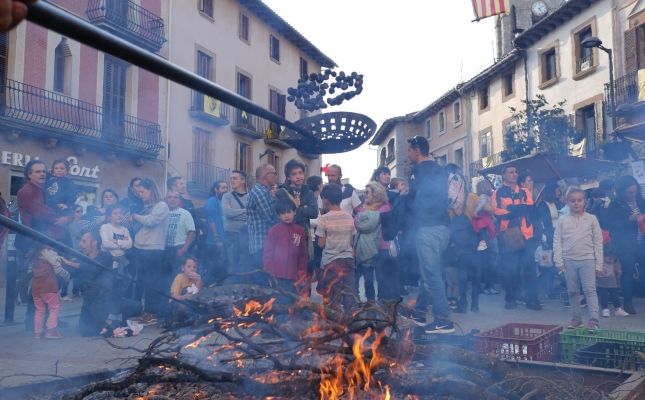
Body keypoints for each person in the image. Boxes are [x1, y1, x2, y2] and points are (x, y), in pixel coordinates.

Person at [406, 136, 453, 334]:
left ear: (417, 151)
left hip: (428, 229)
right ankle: (419, 313)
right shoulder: (440, 170)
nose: (408, 154)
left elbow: (414, 201)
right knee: (429, 271)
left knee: (432, 275)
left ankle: (443, 320)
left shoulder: (419, 172)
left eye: (409, 150)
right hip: (443, 228)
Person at [492, 165, 541, 311]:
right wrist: (515, 210)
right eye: (511, 172)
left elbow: (529, 208)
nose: (514, 174)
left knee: (530, 270)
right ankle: (510, 298)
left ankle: (532, 300)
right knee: (509, 270)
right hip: (508, 235)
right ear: (504, 175)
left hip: (526, 235)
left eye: (516, 172)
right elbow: (496, 212)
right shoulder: (497, 193)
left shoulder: (525, 192)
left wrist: (510, 209)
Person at [554, 188, 603, 329]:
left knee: (590, 290)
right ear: (567, 202)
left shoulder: (592, 219)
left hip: (588, 260)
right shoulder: (562, 220)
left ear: (585, 202)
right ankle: (576, 319)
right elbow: (557, 241)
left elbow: (598, 242)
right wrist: (559, 261)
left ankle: (594, 320)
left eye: (579, 200)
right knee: (572, 291)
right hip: (568, 261)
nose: (576, 203)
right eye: (572, 200)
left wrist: (599, 264)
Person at [131, 179, 169, 323]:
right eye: (138, 192)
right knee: (141, 282)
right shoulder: (146, 206)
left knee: (152, 283)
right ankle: (142, 310)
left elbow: (151, 221)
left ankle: (152, 312)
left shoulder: (162, 205)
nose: (140, 195)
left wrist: (136, 216)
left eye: (143, 192)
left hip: (154, 249)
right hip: (140, 247)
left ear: (151, 190)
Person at [606, 175, 645, 315]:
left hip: (643, 241)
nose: (633, 195)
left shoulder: (640, 200)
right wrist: (630, 219)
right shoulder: (615, 204)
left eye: (634, 191)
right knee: (627, 273)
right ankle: (628, 303)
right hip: (626, 244)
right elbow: (611, 224)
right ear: (621, 191)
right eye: (629, 192)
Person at [316, 184, 356, 312]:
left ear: (325, 200)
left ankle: (333, 326)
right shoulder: (350, 217)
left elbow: (321, 244)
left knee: (332, 297)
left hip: (331, 263)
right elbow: (351, 240)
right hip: (348, 261)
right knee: (349, 294)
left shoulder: (324, 219)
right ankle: (351, 323)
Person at [263, 201, 308, 299]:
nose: (286, 215)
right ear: (279, 216)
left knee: (295, 302)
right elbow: (268, 253)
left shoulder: (300, 231)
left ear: (294, 212)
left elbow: (303, 254)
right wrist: (269, 272)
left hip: (294, 275)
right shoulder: (274, 231)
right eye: (283, 213)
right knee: (280, 301)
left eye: (289, 212)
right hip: (278, 275)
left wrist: (302, 272)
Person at [276, 159, 319, 253]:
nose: (298, 176)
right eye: (294, 174)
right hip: (286, 234)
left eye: (300, 173)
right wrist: (303, 208)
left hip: (304, 234)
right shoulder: (282, 192)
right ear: (288, 177)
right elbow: (282, 214)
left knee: (303, 262)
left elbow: (314, 213)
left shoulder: (309, 192)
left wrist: (296, 208)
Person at [247, 164, 278, 279]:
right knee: (263, 283)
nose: (276, 176)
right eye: (274, 173)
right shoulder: (259, 192)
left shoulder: (265, 191)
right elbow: (271, 217)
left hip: (265, 246)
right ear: (266, 175)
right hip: (261, 246)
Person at [30, 245, 62, 339]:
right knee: (54, 308)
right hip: (48, 287)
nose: (52, 249)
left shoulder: (34, 257)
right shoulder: (49, 256)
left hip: (36, 288)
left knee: (39, 310)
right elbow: (58, 264)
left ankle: (37, 333)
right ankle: (50, 331)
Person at [536, 183, 562, 299]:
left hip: (556, 236)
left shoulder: (555, 204)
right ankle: (548, 289)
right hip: (548, 238)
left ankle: (548, 288)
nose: (559, 193)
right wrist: (545, 237)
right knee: (548, 264)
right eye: (557, 190)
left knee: (551, 264)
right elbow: (543, 223)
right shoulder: (542, 205)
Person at [221, 170, 249, 278]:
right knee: (231, 266)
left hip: (245, 236)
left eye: (235, 178)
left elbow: (251, 215)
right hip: (230, 235)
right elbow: (227, 213)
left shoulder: (250, 196)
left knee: (244, 265)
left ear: (243, 181)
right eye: (231, 178)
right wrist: (245, 211)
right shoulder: (226, 196)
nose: (232, 180)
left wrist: (235, 212)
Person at [165, 191, 196, 274]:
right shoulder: (163, 213)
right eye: (170, 197)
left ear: (179, 200)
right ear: (166, 199)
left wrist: (184, 249)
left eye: (175, 197)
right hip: (165, 249)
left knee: (178, 275)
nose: (172, 199)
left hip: (179, 248)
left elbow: (192, 232)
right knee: (165, 276)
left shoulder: (185, 213)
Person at [597, 244, 629, 318]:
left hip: (613, 283)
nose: (610, 258)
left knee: (615, 296)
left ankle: (617, 309)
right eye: (608, 256)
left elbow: (618, 269)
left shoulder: (615, 260)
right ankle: (605, 309)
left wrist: (618, 273)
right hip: (601, 283)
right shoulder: (599, 261)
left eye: (612, 256)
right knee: (603, 296)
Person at [99, 204, 133, 275]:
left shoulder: (124, 230)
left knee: (123, 282)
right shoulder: (105, 227)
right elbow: (106, 244)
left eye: (120, 213)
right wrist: (123, 244)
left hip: (123, 262)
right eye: (115, 213)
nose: (119, 215)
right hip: (109, 262)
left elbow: (129, 244)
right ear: (109, 217)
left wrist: (116, 241)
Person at [204, 181, 227, 284]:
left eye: (226, 188)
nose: (225, 190)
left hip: (224, 241)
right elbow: (211, 221)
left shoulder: (223, 201)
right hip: (213, 243)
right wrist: (217, 239)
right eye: (223, 188)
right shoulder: (211, 201)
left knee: (222, 270)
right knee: (213, 270)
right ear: (216, 189)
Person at [169, 256, 202, 323]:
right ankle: (176, 322)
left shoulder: (196, 278)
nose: (192, 269)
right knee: (183, 307)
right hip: (176, 304)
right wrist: (185, 296)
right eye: (189, 266)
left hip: (190, 304)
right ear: (183, 268)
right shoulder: (179, 278)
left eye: (194, 267)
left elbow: (198, 294)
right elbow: (174, 296)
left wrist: (199, 281)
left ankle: (193, 321)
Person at [472, 180, 495, 252]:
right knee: (489, 234)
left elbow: (482, 203)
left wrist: (475, 211)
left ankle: (483, 248)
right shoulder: (489, 196)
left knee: (482, 235)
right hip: (488, 218)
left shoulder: (482, 196)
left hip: (482, 218)